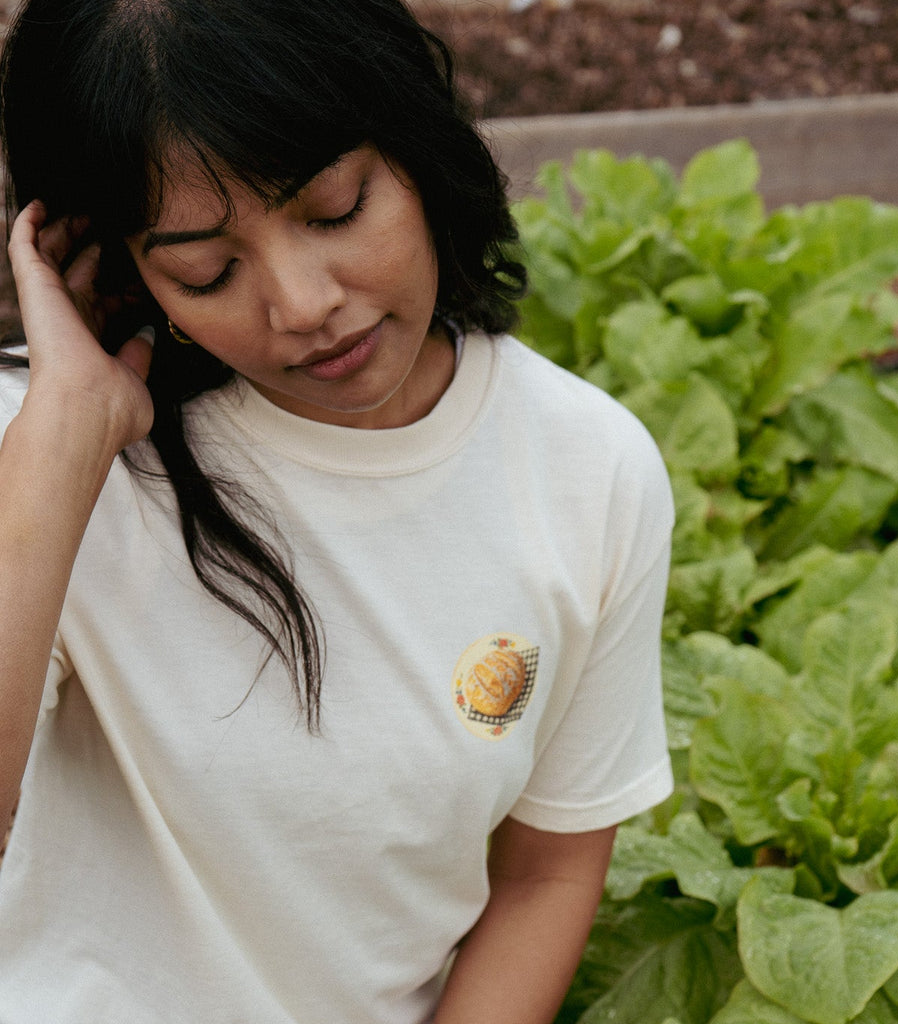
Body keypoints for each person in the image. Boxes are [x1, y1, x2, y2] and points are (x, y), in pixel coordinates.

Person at [0, 0, 675, 1021]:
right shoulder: (41, 459)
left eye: (334, 210)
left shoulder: (587, 467)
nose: (302, 302)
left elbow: (546, 872)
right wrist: (59, 447)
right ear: (114, 261)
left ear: (412, 147)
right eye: (206, 269)